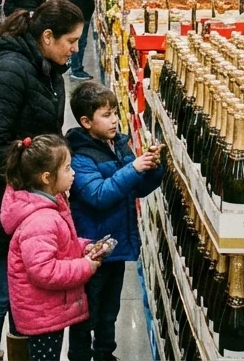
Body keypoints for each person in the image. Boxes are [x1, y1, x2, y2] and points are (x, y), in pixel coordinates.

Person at [0, 1, 86, 361]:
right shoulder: (9, 71)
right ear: (46, 36)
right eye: (71, 41)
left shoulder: (47, 68)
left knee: (20, 295)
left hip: (27, 203)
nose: (75, 49)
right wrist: (36, 188)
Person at [65, 83, 164, 361]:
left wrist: (153, 169)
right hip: (92, 250)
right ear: (86, 122)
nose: (114, 120)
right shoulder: (80, 156)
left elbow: (135, 189)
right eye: (106, 115)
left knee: (110, 310)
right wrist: (133, 168)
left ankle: (106, 354)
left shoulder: (119, 144)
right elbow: (98, 195)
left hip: (117, 246)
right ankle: (80, 356)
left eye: (115, 113)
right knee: (87, 312)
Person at [0, 134, 100, 361]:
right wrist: (86, 266)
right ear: (47, 177)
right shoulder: (41, 220)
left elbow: (60, 246)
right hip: (43, 314)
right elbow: (44, 271)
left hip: (47, 310)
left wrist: (85, 247)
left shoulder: (52, 202)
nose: (73, 173)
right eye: (67, 168)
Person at [62, 0, 100, 81]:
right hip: (84, 10)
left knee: (73, 38)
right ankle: (77, 70)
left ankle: (73, 66)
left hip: (72, 8)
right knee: (81, 41)